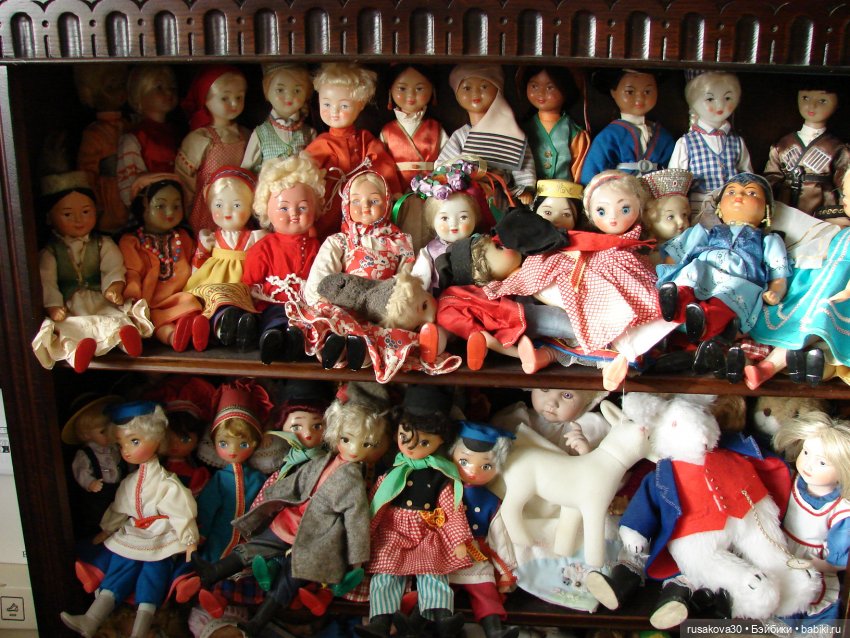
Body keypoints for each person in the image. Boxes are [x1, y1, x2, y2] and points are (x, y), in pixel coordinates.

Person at [60, 401, 198, 638]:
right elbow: (120, 508)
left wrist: (189, 540)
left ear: (156, 439)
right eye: (121, 444)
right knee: (120, 567)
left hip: (161, 534)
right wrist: (107, 529)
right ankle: (92, 619)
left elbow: (181, 512)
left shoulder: (167, 483)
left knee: (152, 576)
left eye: (134, 441)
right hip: (134, 531)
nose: (126, 450)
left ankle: (140, 631)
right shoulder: (130, 481)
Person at [357, 385, 471, 638]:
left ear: (442, 440)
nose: (412, 446)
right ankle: (380, 621)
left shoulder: (441, 475)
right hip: (392, 531)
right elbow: (376, 505)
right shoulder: (391, 472)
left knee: (434, 572)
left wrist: (458, 539)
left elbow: (451, 508)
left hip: (426, 531)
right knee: (385, 573)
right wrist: (364, 536)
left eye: (425, 442)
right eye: (404, 436)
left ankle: (443, 618)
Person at [304, 62, 402, 240]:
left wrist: (393, 191)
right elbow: (305, 172)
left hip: (360, 203)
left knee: (361, 233)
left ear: (360, 105)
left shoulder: (365, 140)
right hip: (329, 203)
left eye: (344, 106)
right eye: (326, 104)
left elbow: (383, 165)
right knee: (326, 234)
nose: (334, 112)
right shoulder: (321, 143)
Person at [772, 410, 850, 623]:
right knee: (779, 591)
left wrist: (822, 565)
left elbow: (840, 552)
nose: (808, 464)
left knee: (812, 598)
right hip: (781, 546)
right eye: (806, 453)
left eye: (822, 463)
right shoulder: (790, 479)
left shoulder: (840, 508)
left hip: (814, 560)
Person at [177, 65, 249, 233]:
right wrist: (185, 210)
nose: (234, 103)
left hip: (239, 208)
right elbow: (185, 180)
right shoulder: (200, 139)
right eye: (225, 98)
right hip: (207, 208)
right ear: (205, 99)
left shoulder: (245, 135)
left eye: (239, 97)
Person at [580, 70, 674, 184]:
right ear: (613, 92)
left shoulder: (663, 136)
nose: (640, 98)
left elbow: (673, 168)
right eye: (630, 92)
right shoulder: (610, 135)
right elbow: (592, 171)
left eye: (647, 91)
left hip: (657, 189)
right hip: (621, 189)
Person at [117, 65, 181, 210]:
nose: (169, 92)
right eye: (159, 88)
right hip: (150, 210)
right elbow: (128, 186)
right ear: (139, 94)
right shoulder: (134, 138)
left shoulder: (176, 133)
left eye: (172, 87)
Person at [241, 63, 316, 174]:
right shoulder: (261, 134)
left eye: (297, 91)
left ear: (307, 94)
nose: (289, 96)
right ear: (267, 91)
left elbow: (315, 165)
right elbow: (246, 169)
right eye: (280, 90)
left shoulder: (309, 133)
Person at [519, 65, 589, 182]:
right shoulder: (522, 129)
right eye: (534, 86)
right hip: (529, 189)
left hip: (563, 190)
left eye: (550, 87)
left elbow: (578, 169)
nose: (541, 93)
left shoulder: (574, 132)